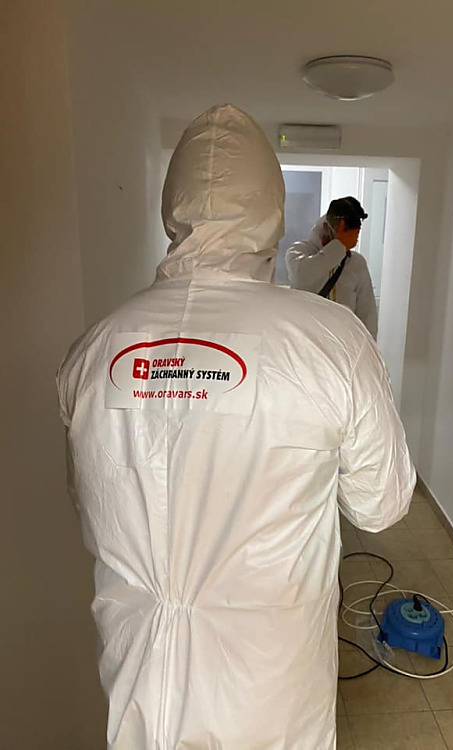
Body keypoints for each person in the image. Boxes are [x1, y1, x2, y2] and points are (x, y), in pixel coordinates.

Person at [57, 104, 415, 750]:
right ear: (271, 209)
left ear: (172, 209)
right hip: (270, 698)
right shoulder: (331, 343)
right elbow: (381, 503)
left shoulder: (93, 352)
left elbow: (92, 499)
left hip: (137, 693)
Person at [285, 197, 379, 338]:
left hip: (344, 343)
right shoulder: (299, 252)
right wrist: (339, 245)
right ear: (326, 227)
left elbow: (367, 314)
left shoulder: (356, 263)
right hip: (306, 342)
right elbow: (302, 277)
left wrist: (368, 346)